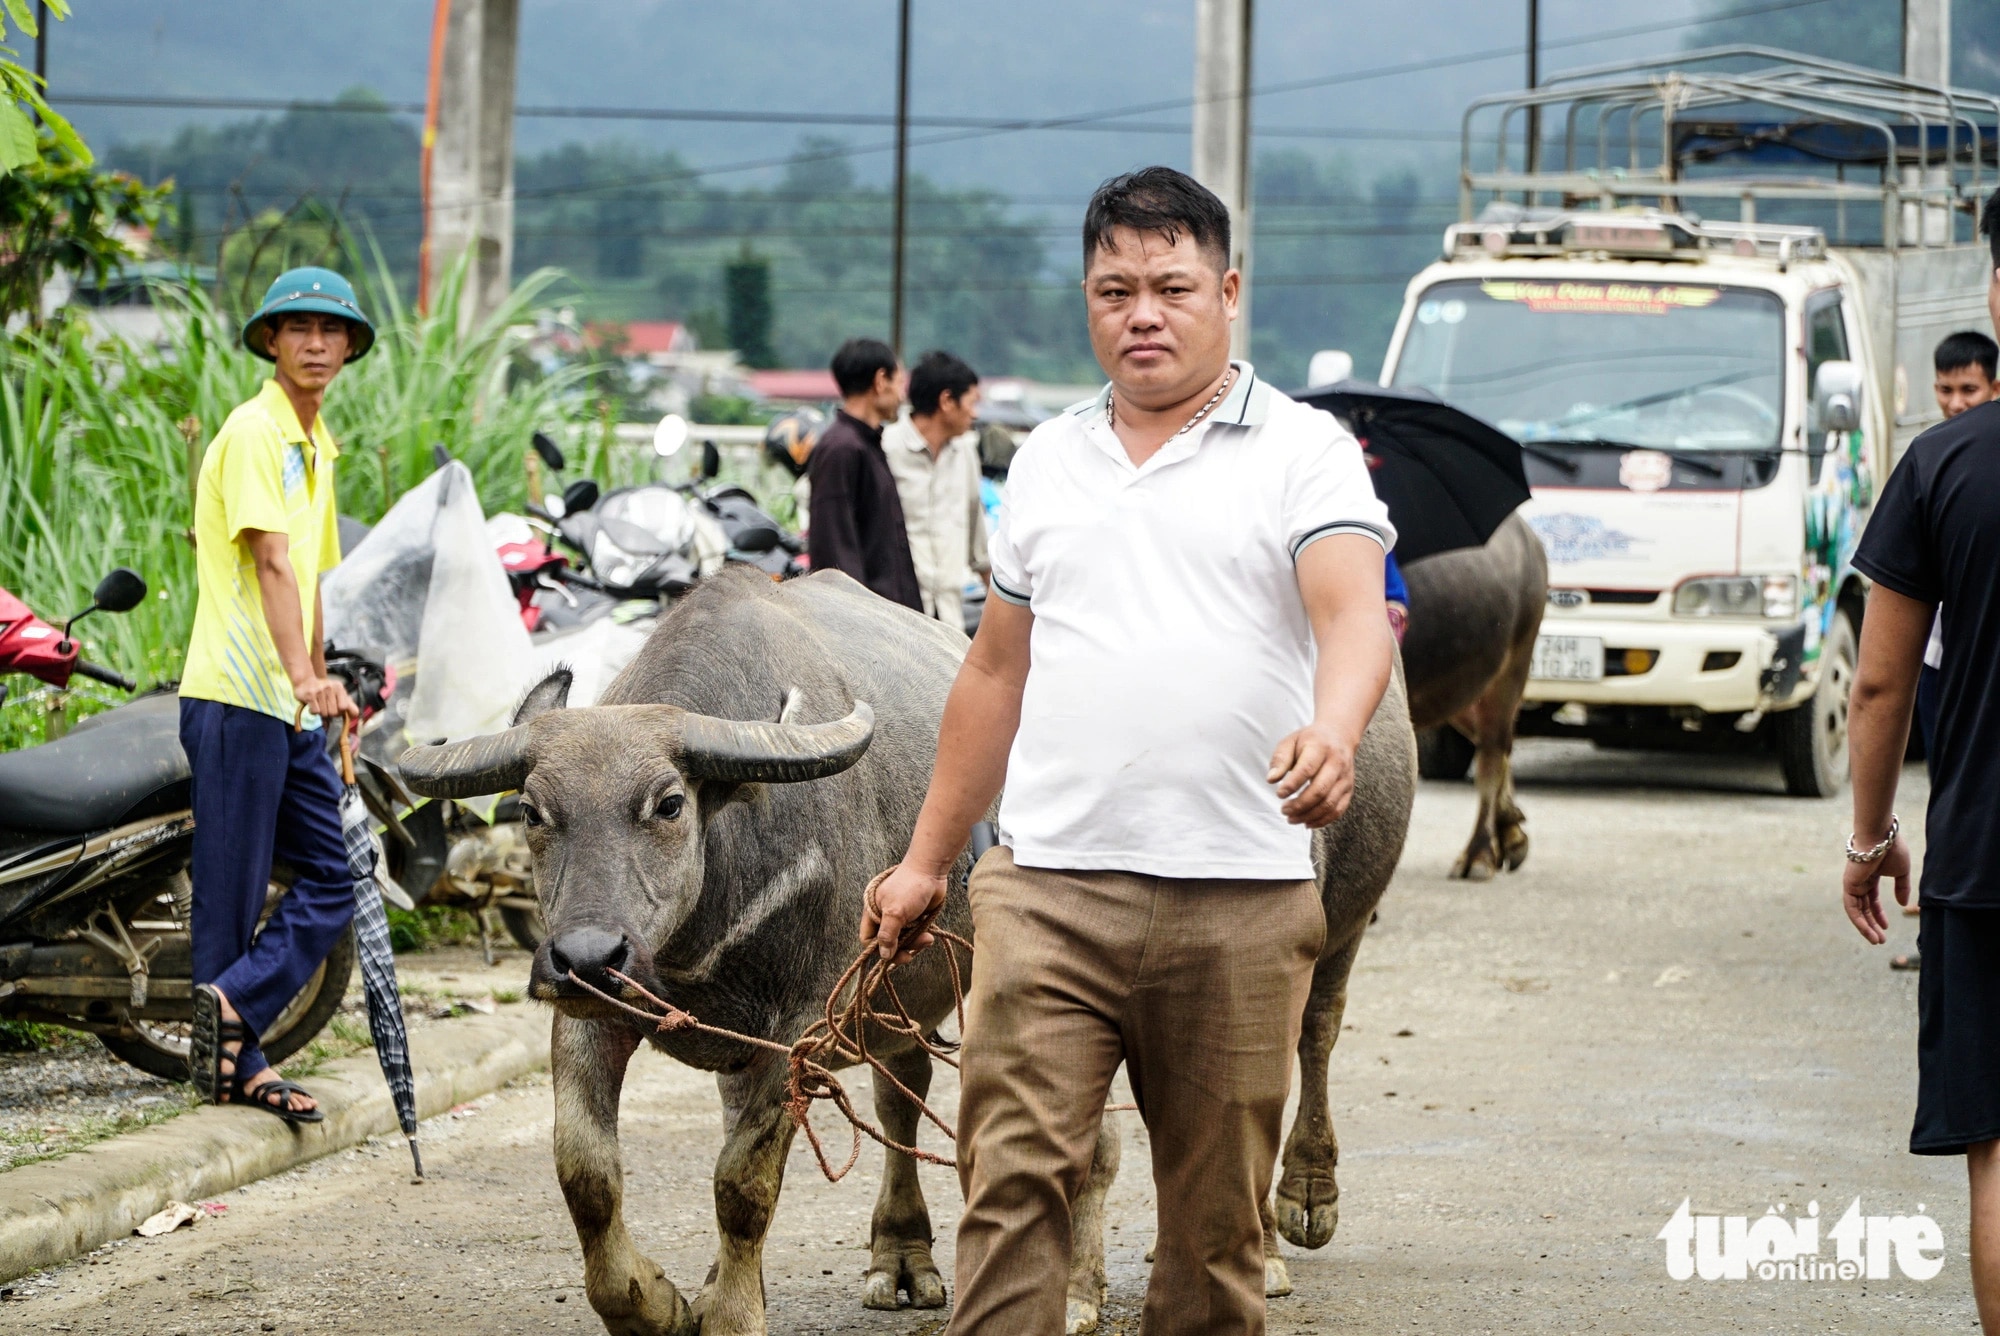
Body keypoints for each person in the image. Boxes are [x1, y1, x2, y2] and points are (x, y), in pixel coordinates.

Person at [863, 166, 1396, 1335]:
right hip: (1047, 890)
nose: (1140, 312)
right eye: (1114, 289)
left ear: (1227, 291)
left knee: (1212, 1241)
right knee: (1007, 1195)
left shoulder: (1303, 451)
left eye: (1169, 285)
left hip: (1241, 901)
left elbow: (1353, 613)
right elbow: (995, 671)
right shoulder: (1048, 458)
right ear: (1087, 300)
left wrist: (1335, 727)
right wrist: (921, 860)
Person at [1842, 187, 2000, 1332]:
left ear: (1994, 292)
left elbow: (1877, 685)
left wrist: (1869, 837)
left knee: (1996, 1148)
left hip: (1988, 864)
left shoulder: (1943, 463)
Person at [178, 267, 371, 1123]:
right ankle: (238, 1069)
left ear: (350, 347)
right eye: (299, 329)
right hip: (235, 697)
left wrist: (325, 692)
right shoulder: (255, 431)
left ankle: (228, 1010)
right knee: (232, 892)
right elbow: (266, 560)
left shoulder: (315, 445)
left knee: (337, 875)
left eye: (332, 332)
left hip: (288, 706)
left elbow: (312, 577)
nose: (317, 344)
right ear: (271, 341)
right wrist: (301, 676)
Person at [1911, 329, 1998, 788]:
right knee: (1945, 786)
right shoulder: (1929, 459)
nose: (1956, 403)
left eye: (1970, 390)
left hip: (1981, 660)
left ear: (1995, 389)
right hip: (1940, 662)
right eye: (1946, 390)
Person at [806, 337, 924, 610]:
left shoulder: (865, 444)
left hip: (887, 619)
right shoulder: (842, 448)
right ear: (881, 380)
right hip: (865, 626)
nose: (901, 395)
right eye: (899, 383)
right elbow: (834, 550)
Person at [885, 349, 990, 631]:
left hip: (949, 617)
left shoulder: (965, 453)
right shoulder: (886, 449)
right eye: (971, 402)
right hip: (894, 616)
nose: (975, 413)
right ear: (947, 401)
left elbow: (978, 538)